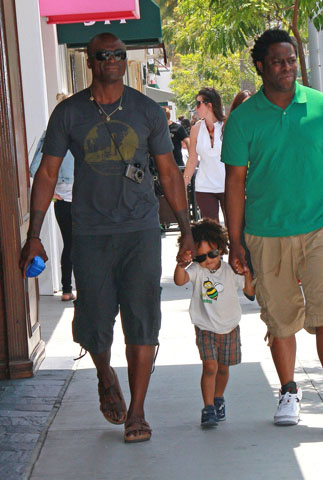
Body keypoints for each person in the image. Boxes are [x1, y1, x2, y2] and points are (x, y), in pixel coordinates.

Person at [19, 32, 194, 444]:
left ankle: (137, 411)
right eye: (103, 55)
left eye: (118, 54)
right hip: (91, 232)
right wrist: (34, 234)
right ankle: (103, 373)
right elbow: (46, 173)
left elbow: (168, 172)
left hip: (141, 231)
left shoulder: (147, 110)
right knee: (94, 321)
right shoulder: (69, 113)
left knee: (142, 319)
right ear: (91, 60)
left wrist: (187, 230)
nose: (112, 60)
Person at [222, 29, 323, 430]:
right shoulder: (242, 120)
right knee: (281, 317)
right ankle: (288, 392)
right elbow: (234, 184)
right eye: (278, 61)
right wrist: (234, 241)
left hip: (319, 226)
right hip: (265, 232)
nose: (287, 68)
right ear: (260, 66)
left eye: (291, 61)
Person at [173, 218, 254, 428]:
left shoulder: (229, 270)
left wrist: (246, 272)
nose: (208, 260)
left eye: (212, 254)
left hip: (230, 327)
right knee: (210, 367)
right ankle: (208, 407)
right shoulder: (197, 271)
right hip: (205, 327)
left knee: (223, 369)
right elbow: (180, 280)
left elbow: (250, 291)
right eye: (201, 256)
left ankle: (218, 399)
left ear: (221, 248)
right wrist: (181, 263)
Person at [30, 93, 75, 301]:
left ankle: (67, 289)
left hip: (66, 198)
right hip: (82, 197)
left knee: (70, 244)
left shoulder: (52, 133)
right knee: (84, 244)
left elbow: (35, 168)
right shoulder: (85, 131)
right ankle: (76, 289)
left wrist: (54, 191)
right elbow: (35, 169)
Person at [183, 87, 226, 223]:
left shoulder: (227, 126)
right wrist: (183, 183)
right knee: (211, 231)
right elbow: (192, 159)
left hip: (228, 185)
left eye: (198, 103)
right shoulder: (196, 129)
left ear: (209, 105)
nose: (196, 108)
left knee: (234, 229)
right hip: (204, 186)